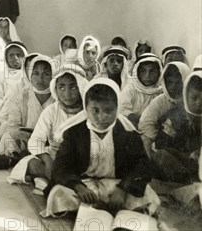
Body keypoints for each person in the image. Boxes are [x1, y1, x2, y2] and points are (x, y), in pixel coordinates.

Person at [43, 78, 160, 218]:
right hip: (85, 184)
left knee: (148, 195)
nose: (102, 117)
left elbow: (142, 166)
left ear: (117, 108)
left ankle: (92, 209)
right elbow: (61, 166)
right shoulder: (74, 133)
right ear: (86, 109)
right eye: (95, 110)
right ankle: (101, 207)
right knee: (58, 194)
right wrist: (78, 187)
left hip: (116, 185)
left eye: (109, 110)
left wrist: (123, 189)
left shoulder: (128, 133)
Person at [7, 64, 88, 187]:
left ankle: (61, 180)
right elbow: (36, 141)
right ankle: (64, 179)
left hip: (83, 159)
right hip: (56, 157)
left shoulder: (89, 111)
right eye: (61, 87)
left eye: (73, 87)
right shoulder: (51, 111)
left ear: (82, 87)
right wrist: (48, 161)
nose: (67, 94)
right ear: (55, 88)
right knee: (31, 164)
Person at [0, 55, 55, 160]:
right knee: (7, 137)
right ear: (29, 75)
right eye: (36, 73)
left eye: (46, 74)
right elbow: (13, 126)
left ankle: (25, 160)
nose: (40, 79)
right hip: (26, 138)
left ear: (53, 76)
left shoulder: (57, 98)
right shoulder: (21, 96)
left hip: (50, 141)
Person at [151, 69, 201, 184]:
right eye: (194, 98)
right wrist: (187, 155)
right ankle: (189, 181)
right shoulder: (175, 115)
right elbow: (161, 144)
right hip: (180, 162)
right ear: (185, 96)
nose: (198, 104)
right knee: (161, 156)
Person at [139, 62, 191, 156]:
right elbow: (145, 123)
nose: (174, 87)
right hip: (162, 141)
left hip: (185, 143)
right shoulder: (160, 101)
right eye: (170, 82)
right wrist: (157, 137)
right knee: (145, 141)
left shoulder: (190, 100)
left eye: (178, 82)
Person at [119, 53, 163, 126]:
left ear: (159, 73)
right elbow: (122, 110)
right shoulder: (131, 88)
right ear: (137, 72)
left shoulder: (162, 91)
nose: (147, 76)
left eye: (152, 71)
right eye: (143, 71)